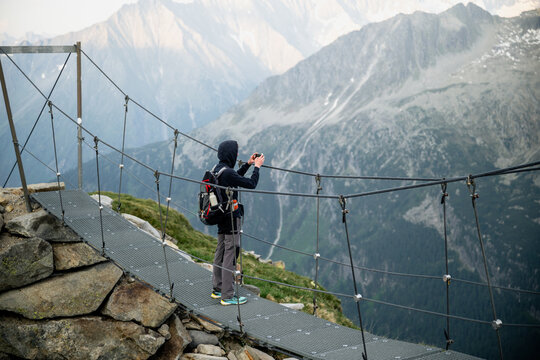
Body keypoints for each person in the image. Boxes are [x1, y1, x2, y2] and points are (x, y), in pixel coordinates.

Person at [211, 140, 265, 305]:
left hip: (220, 215)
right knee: (231, 253)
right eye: (236, 152)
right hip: (231, 217)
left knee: (221, 250)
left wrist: (248, 164)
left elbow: (233, 178)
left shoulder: (217, 169)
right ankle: (227, 295)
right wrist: (257, 167)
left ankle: (217, 288)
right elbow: (251, 184)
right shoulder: (227, 172)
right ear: (230, 154)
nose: (237, 155)